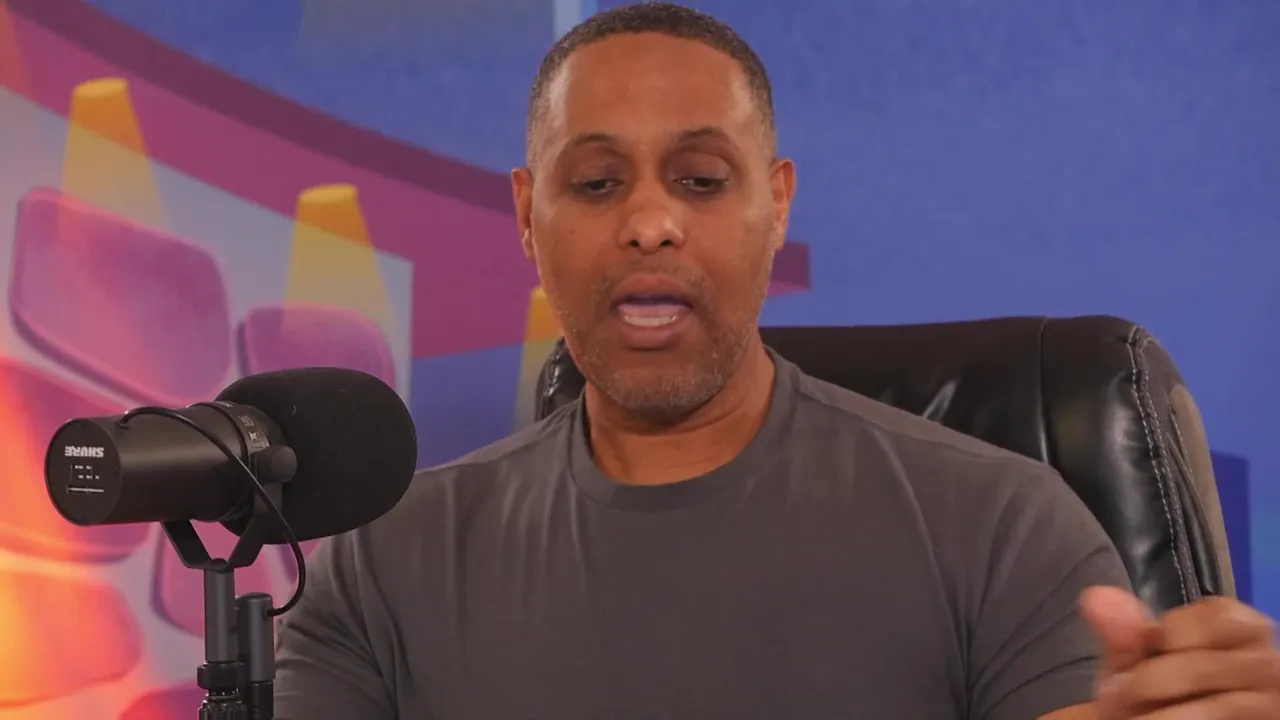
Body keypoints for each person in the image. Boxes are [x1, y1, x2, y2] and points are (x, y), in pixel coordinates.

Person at [274, 3, 1280, 718]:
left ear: (778, 203)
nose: (651, 222)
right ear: (527, 217)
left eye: (701, 179)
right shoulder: (379, 567)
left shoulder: (1006, 532)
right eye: (596, 183)